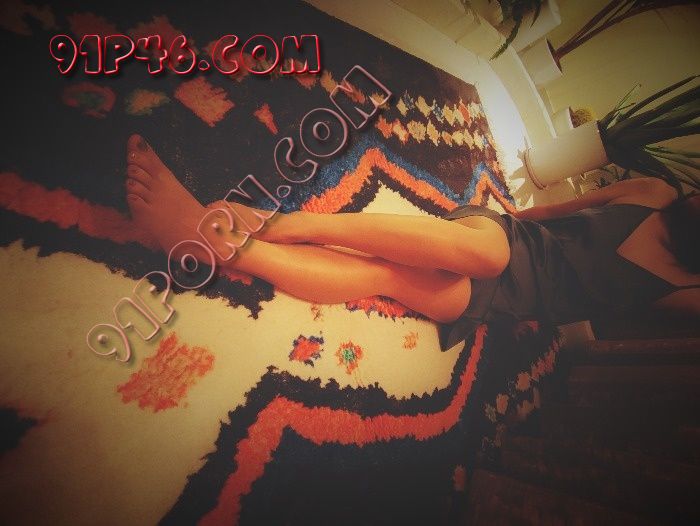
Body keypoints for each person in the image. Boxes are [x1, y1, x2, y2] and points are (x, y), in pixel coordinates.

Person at [124, 135, 700, 351]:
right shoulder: (652, 191)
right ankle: (286, 224)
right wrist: (505, 215)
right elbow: (549, 212)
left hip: (505, 300)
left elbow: (595, 314)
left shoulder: (689, 293)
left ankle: (220, 247)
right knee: (492, 253)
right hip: (498, 240)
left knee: (388, 275)